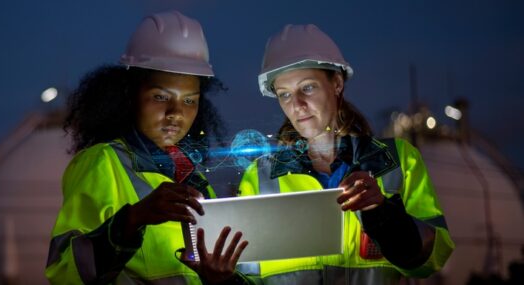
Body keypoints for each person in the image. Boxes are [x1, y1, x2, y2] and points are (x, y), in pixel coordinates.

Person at [235, 24, 455, 284]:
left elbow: (431, 259)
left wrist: (382, 214)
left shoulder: (397, 160)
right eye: (284, 94)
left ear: (336, 83)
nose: (297, 105)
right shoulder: (260, 177)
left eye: (307, 88)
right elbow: (246, 276)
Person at [45, 11, 249, 284]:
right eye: (160, 96)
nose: (175, 113)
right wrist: (133, 219)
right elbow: (63, 271)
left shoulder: (197, 183)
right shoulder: (103, 163)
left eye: (189, 101)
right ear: (130, 95)